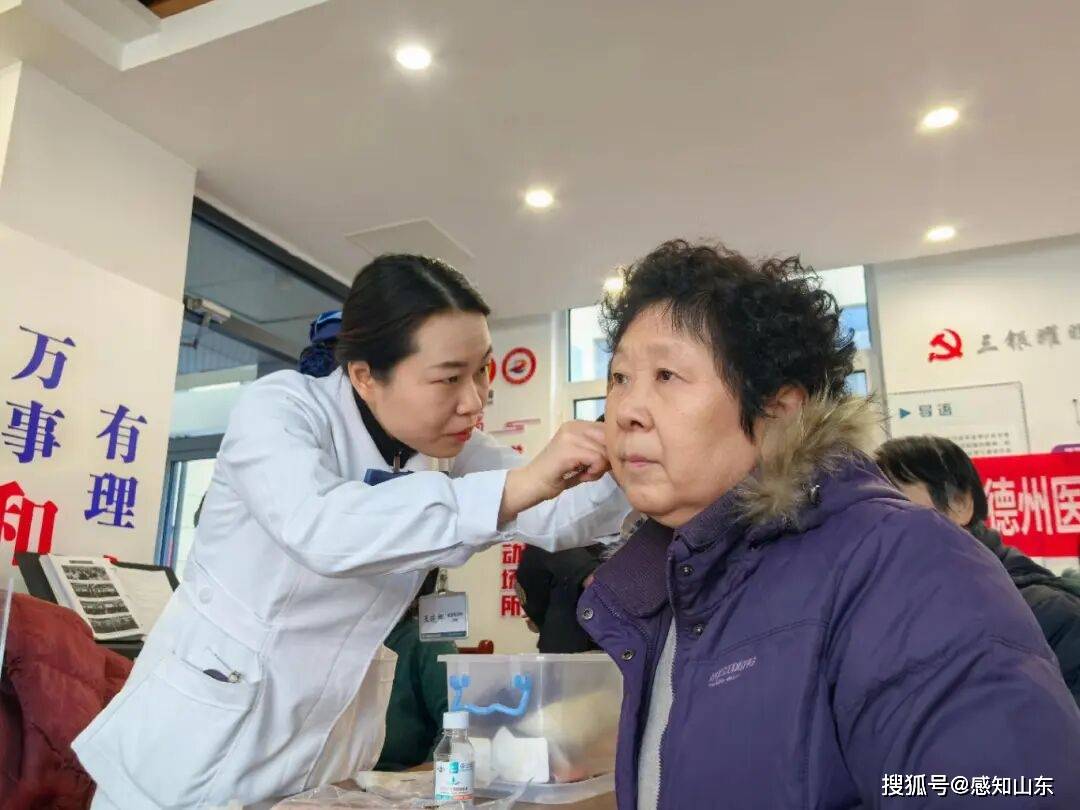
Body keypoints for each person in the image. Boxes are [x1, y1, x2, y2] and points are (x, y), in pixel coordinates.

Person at [74, 254, 629, 809]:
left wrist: (625, 462)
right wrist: (521, 484)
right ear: (364, 375)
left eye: (483, 370)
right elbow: (324, 530)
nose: (475, 400)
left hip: (320, 749)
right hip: (197, 746)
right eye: (450, 378)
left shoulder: (446, 450)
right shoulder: (281, 409)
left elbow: (555, 514)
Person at [577, 240, 1080, 809]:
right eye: (619, 378)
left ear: (778, 408)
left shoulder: (902, 560)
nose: (625, 410)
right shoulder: (667, 582)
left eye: (667, 374)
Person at [876, 435, 1080, 705]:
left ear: (960, 503)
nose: (877, 523)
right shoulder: (892, 618)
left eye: (893, 500)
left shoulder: (1050, 613)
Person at [374, 569, 457, 772]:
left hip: (399, 780)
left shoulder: (427, 643)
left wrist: (408, 780)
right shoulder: (341, 641)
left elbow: (456, 728)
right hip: (339, 780)